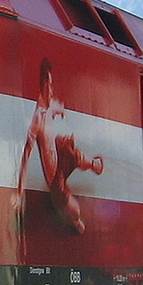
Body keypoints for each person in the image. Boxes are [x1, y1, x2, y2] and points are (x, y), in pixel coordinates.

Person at [14, 59, 103, 234]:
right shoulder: (36, 121)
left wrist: (63, 116)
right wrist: (19, 192)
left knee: (71, 151)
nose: (51, 89)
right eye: (48, 84)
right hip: (54, 174)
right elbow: (24, 158)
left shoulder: (53, 104)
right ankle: (76, 223)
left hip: (62, 152)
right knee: (70, 206)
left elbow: (62, 111)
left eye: (51, 83)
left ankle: (91, 163)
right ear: (42, 85)